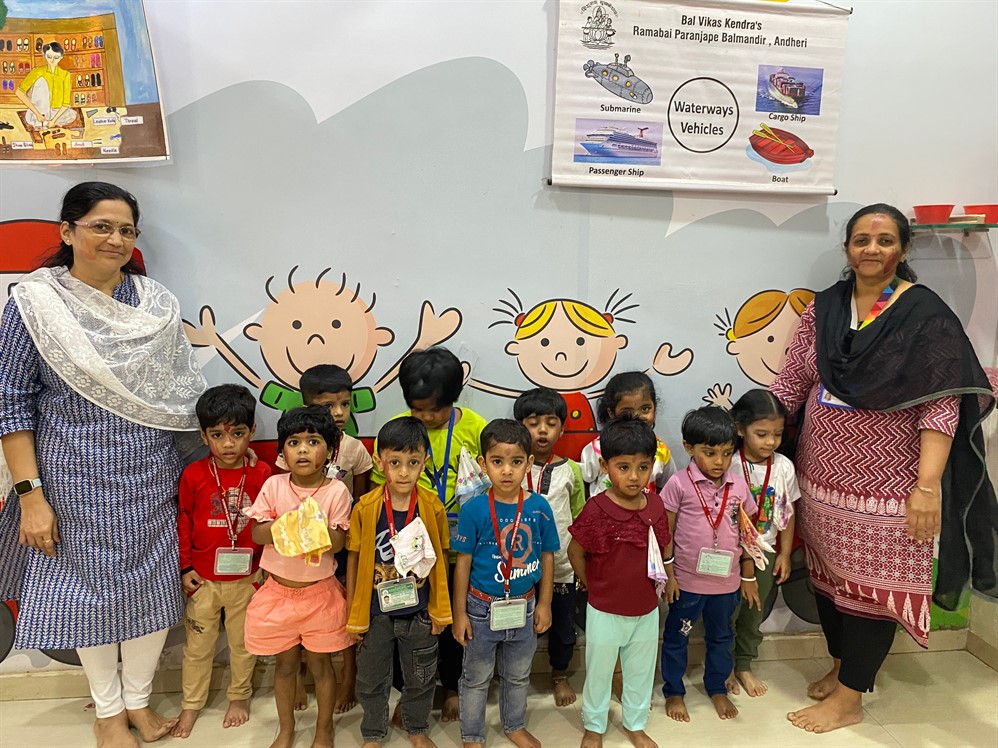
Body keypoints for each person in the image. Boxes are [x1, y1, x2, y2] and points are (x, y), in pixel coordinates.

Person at [770, 203, 996, 733]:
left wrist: (927, 488)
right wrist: (749, 436)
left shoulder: (925, 316)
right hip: (820, 482)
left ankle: (850, 699)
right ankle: (842, 669)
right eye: (862, 240)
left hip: (891, 489)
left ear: (904, 248)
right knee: (829, 583)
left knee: (873, 591)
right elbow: (793, 381)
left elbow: (941, 406)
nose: (872, 249)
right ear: (847, 247)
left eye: (885, 240)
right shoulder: (826, 308)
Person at [0, 182, 206, 748]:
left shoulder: (155, 305)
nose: (115, 239)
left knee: (150, 587)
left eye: (126, 230)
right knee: (89, 595)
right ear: (67, 232)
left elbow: (178, 393)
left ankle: (138, 701)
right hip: (70, 476)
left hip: (151, 470)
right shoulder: (34, 304)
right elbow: (11, 403)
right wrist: (31, 496)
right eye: (101, 226)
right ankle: (108, 711)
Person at [371, 346, 487, 721]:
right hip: (407, 553)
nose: (425, 417)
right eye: (417, 409)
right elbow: (377, 488)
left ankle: (452, 686)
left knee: (454, 620)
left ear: (454, 397)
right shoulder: (397, 431)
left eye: (435, 410)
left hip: (461, 551)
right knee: (406, 623)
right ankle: (407, 692)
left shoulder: (475, 428)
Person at [243, 406, 353, 748]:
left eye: (313, 441)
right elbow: (258, 534)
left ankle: (324, 729)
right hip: (278, 594)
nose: (303, 449)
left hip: (320, 596)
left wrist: (310, 523)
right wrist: (289, 523)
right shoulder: (274, 486)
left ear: (330, 450)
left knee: (321, 666)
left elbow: (337, 543)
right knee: (286, 665)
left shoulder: (336, 491)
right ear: (282, 452)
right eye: (294, 442)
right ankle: (286, 729)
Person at [451, 419, 559, 748]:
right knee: (476, 677)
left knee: (518, 674)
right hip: (481, 609)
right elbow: (462, 564)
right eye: (497, 461)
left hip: (525, 606)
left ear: (529, 462)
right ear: (483, 464)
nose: (507, 471)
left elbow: (548, 556)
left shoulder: (539, 507)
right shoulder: (474, 510)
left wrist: (544, 603)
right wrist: (460, 614)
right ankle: (472, 735)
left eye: (516, 462)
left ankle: (514, 725)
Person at [346, 417, 452, 748]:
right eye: (395, 463)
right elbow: (353, 559)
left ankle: (416, 727)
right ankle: (373, 732)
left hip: (419, 614)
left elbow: (441, 559)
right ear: (380, 463)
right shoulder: (365, 508)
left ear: (425, 462)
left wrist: (440, 610)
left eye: (413, 462)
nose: (404, 472)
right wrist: (354, 611)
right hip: (376, 614)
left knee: (421, 676)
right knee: (371, 679)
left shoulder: (432, 506)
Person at [173, 384, 272, 738]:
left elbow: (271, 522)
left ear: (252, 432)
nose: (228, 444)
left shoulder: (262, 474)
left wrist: (265, 569)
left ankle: (240, 696)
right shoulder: (194, 474)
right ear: (203, 436)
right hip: (203, 579)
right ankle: (191, 704)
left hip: (249, 579)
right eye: (217, 435)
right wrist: (185, 567)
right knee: (198, 648)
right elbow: (184, 520)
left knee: (243, 645)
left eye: (237, 434)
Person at [567, 418, 672, 748]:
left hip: (646, 608)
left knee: (641, 670)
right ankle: (594, 725)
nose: (634, 476)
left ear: (652, 466)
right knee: (599, 671)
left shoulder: (656, 505)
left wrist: (667, 579)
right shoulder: (596, 509)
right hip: (605, 609)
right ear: (605, 466)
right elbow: (575, 551)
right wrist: (591, 584)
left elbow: (664, 546)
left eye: (643, 467)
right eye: (624, 467)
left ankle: (635, 723)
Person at [277, 363, 374, 714]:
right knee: (302, 613)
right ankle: (301, 676)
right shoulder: (297, 447)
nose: (338, 413)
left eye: (345, 404)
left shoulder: (354, 449)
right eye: (328, 405)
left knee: (342, 611)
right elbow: (284, 494)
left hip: (341, 543)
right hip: (303, 548)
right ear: (307, 405)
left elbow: (361, 499)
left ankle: (349, 677)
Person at [659, 406, 758, 723]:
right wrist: (669, 574)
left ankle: (717, 687)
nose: (719, 461)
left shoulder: (738, 486)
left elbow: (747, 534)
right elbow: (666, 533)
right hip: (687, 583)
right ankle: (674, 691)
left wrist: (748, 575)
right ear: (689, 447)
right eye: (710, 452)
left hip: (726, 584)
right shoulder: (678, 484)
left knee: (722, 637)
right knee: (677, 637)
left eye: (727, 453)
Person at [514, 387, 585, 706]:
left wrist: (581, 563)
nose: (542, 430)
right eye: (533, 423)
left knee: (562, 628)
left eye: (551, 423)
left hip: (561, 567)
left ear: (562, 428)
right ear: (520, 426)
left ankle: (559, 674)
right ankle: (515, 676)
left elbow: (579, 516)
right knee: (518, 624)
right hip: (517, 567)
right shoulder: (511, 466)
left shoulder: (572, 470)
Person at [725, 389, 799, 697]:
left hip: (765, 552)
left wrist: (784, 553)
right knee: (726, 612)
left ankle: (744, 664)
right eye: (762, 434)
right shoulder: (727, 462)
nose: (770, 442)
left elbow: (789, 513)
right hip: (729, 553)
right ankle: (724, 666)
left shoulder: (783, 467)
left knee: (753, 612)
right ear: (740, 430)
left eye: (777, 434)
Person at [580, 371, 676, 497]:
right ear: (611, 413)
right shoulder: (598, 448)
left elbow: (670, 485)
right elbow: (582, 482)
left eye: (645, 409)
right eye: (627, 411)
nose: (637, 417)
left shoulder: (662, 450)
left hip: (645, 509)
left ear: (655, 408)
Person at [15, 41, 79, 130]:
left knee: (71, 116)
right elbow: (19, 92)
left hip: (57, 112)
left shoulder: (65, 75)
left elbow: (66, 103)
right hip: (39, 111)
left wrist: (53, 120)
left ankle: (48, 122)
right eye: (49, 57)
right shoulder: (36, 72)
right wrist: (37, 114)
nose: (52, 60)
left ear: (61, 57)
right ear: (44, 55)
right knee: (41, 82)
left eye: (56, 57)